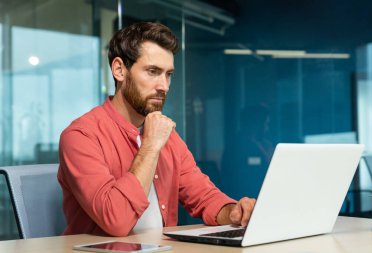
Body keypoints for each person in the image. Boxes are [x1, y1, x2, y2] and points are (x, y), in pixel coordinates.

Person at [57, 22, 255, 237]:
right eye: (153, 72)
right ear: (119, 70)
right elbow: (115, 220)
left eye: (168, 74)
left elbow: (203, 197)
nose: (164, 86)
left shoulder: (167, 136)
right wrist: (150, 145)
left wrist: (234, 212)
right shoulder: (81, 136)